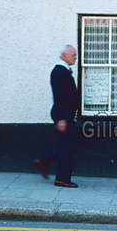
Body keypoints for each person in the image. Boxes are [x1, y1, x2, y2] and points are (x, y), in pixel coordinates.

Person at [35, 45, 80, 188]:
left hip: (66, 113)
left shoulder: (64, 70)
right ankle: (62, 179)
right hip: (63, 114)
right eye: (73, 55)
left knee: (67, 144)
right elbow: (58, 96)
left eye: (75, 55)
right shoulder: (59, 72)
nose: (75, 57)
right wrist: (61, 118)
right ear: (64, 55)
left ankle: (44, 161)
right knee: (68, 146)